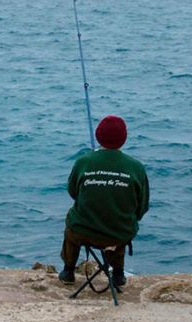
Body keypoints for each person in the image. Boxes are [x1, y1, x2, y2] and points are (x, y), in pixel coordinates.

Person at [59, 115, 149, 287]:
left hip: (83, 231)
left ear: (98, 136)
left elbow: (73, 192)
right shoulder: (136, 167)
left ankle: (68, 270)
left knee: (72, 223)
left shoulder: (83, 162)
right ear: (123, 139)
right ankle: (118, 274)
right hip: (119, 234)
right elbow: (142, 206)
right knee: (120, 219)